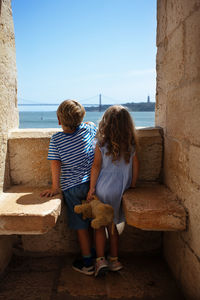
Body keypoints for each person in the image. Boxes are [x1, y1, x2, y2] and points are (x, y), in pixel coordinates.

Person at [41, 99, 97, 275]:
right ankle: (101, 258)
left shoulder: (56, 139)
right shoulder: (88, 130)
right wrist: (85, 122)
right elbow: (92, 124)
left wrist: (55, 187)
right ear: (81, 119)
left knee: (81, 226)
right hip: (92, 185)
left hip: (72, 189)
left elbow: (55, 164)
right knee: (96, 222)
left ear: (59, 120)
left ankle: (88, 262)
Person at [87, 105, 139, 277]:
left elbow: (95, 167)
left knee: (100, 226)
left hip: (103, 189)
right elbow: (136, 167)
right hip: (120, 190)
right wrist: (132, 185)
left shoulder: (101, 143)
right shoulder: (131, 145)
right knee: (114, 226)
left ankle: (100, 260)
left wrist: (91, 188)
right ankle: (114, 260)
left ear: (105, 124)